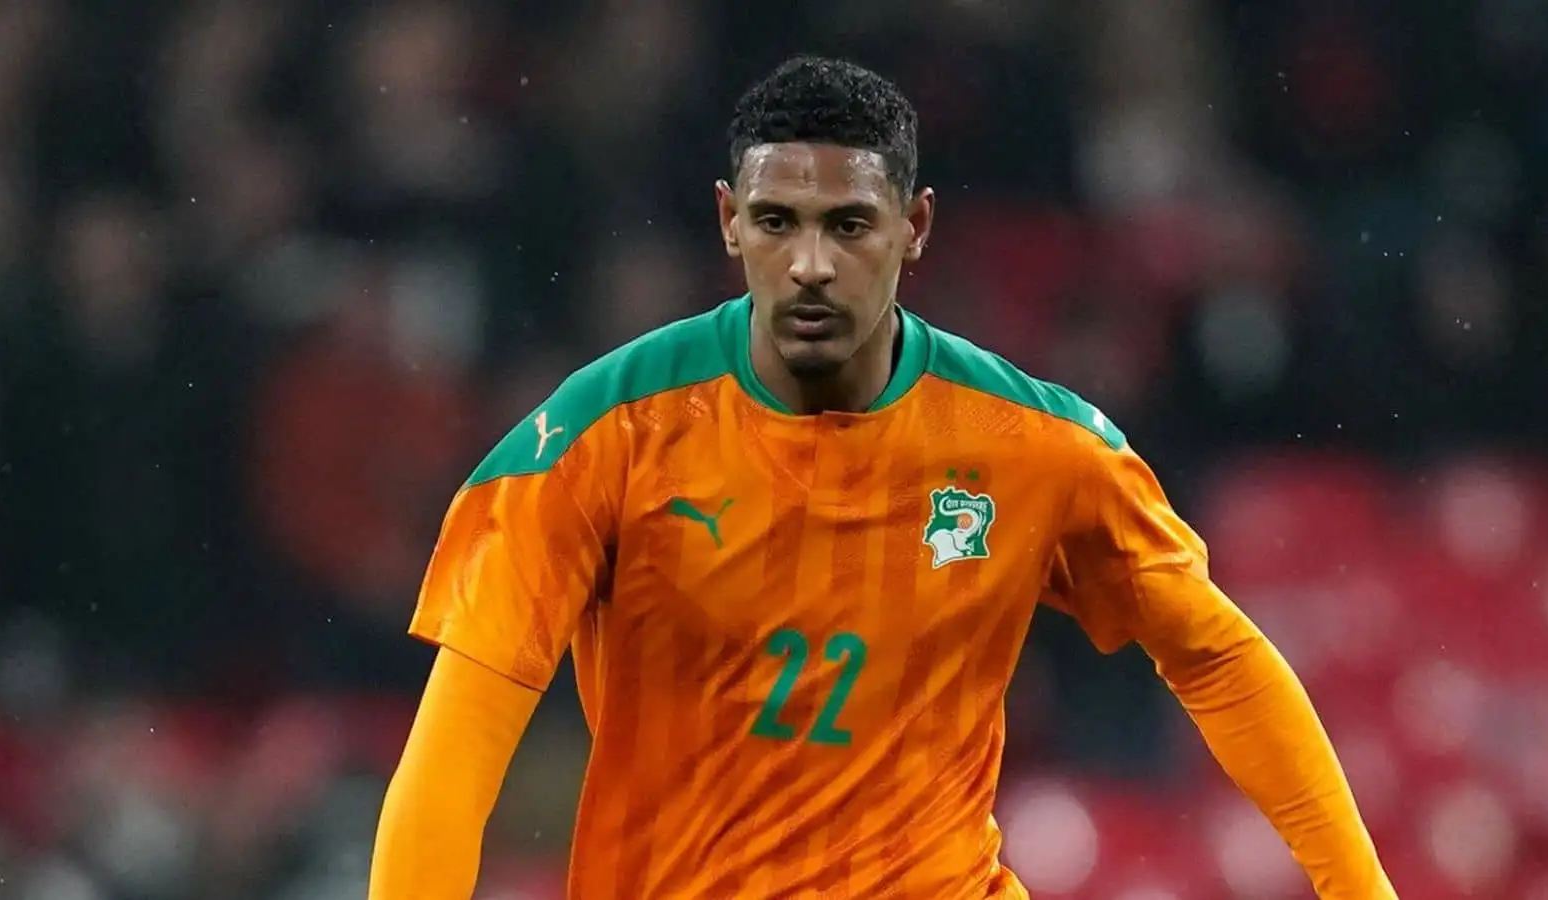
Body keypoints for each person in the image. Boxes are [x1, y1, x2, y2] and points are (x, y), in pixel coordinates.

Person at [369, 55, 1397, 899]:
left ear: (914, 228)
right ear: (730, 222)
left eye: (848, 225)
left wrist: (1359, 891)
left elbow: (1216, 658)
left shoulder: (1036, 448)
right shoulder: (596, 439)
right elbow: (458, 748)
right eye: (777, 222)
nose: (810, 263)